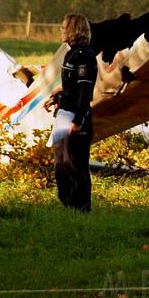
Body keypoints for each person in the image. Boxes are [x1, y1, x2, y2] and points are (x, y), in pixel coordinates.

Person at [44, 14, 97, 211]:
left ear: (74, 30)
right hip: (63, 114)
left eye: (64, 27)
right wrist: (58, 94)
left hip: (75, 117)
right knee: (61, 164)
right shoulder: (71, 53)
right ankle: (67, 205)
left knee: (75, 164)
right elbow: (72, 86)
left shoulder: (84, 55)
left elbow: (84, 91)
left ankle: (81, 208)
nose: (61, 31)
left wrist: (79, 120)